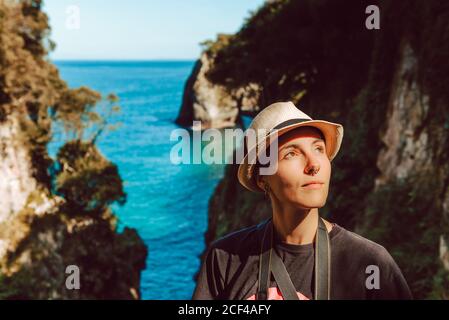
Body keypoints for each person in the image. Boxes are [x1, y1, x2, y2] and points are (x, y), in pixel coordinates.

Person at [192, 101, 412, 300]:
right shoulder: (224, 259)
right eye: (291, 154)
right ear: (261, 178)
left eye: (318, 149)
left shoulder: (370, 262)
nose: (314, 164)